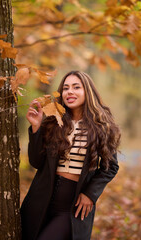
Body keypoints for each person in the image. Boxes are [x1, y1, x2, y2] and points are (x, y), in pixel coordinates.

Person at [20, 70, 121, 240]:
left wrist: (90, 194)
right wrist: (36, 128)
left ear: (87, 92)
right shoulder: (53, 122)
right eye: (65, 88)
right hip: (40, 200)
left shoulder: (101, 126)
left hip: (72, 207)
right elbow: (36, 162)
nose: (70, 92)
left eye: (76, 87)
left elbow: (110, 167)